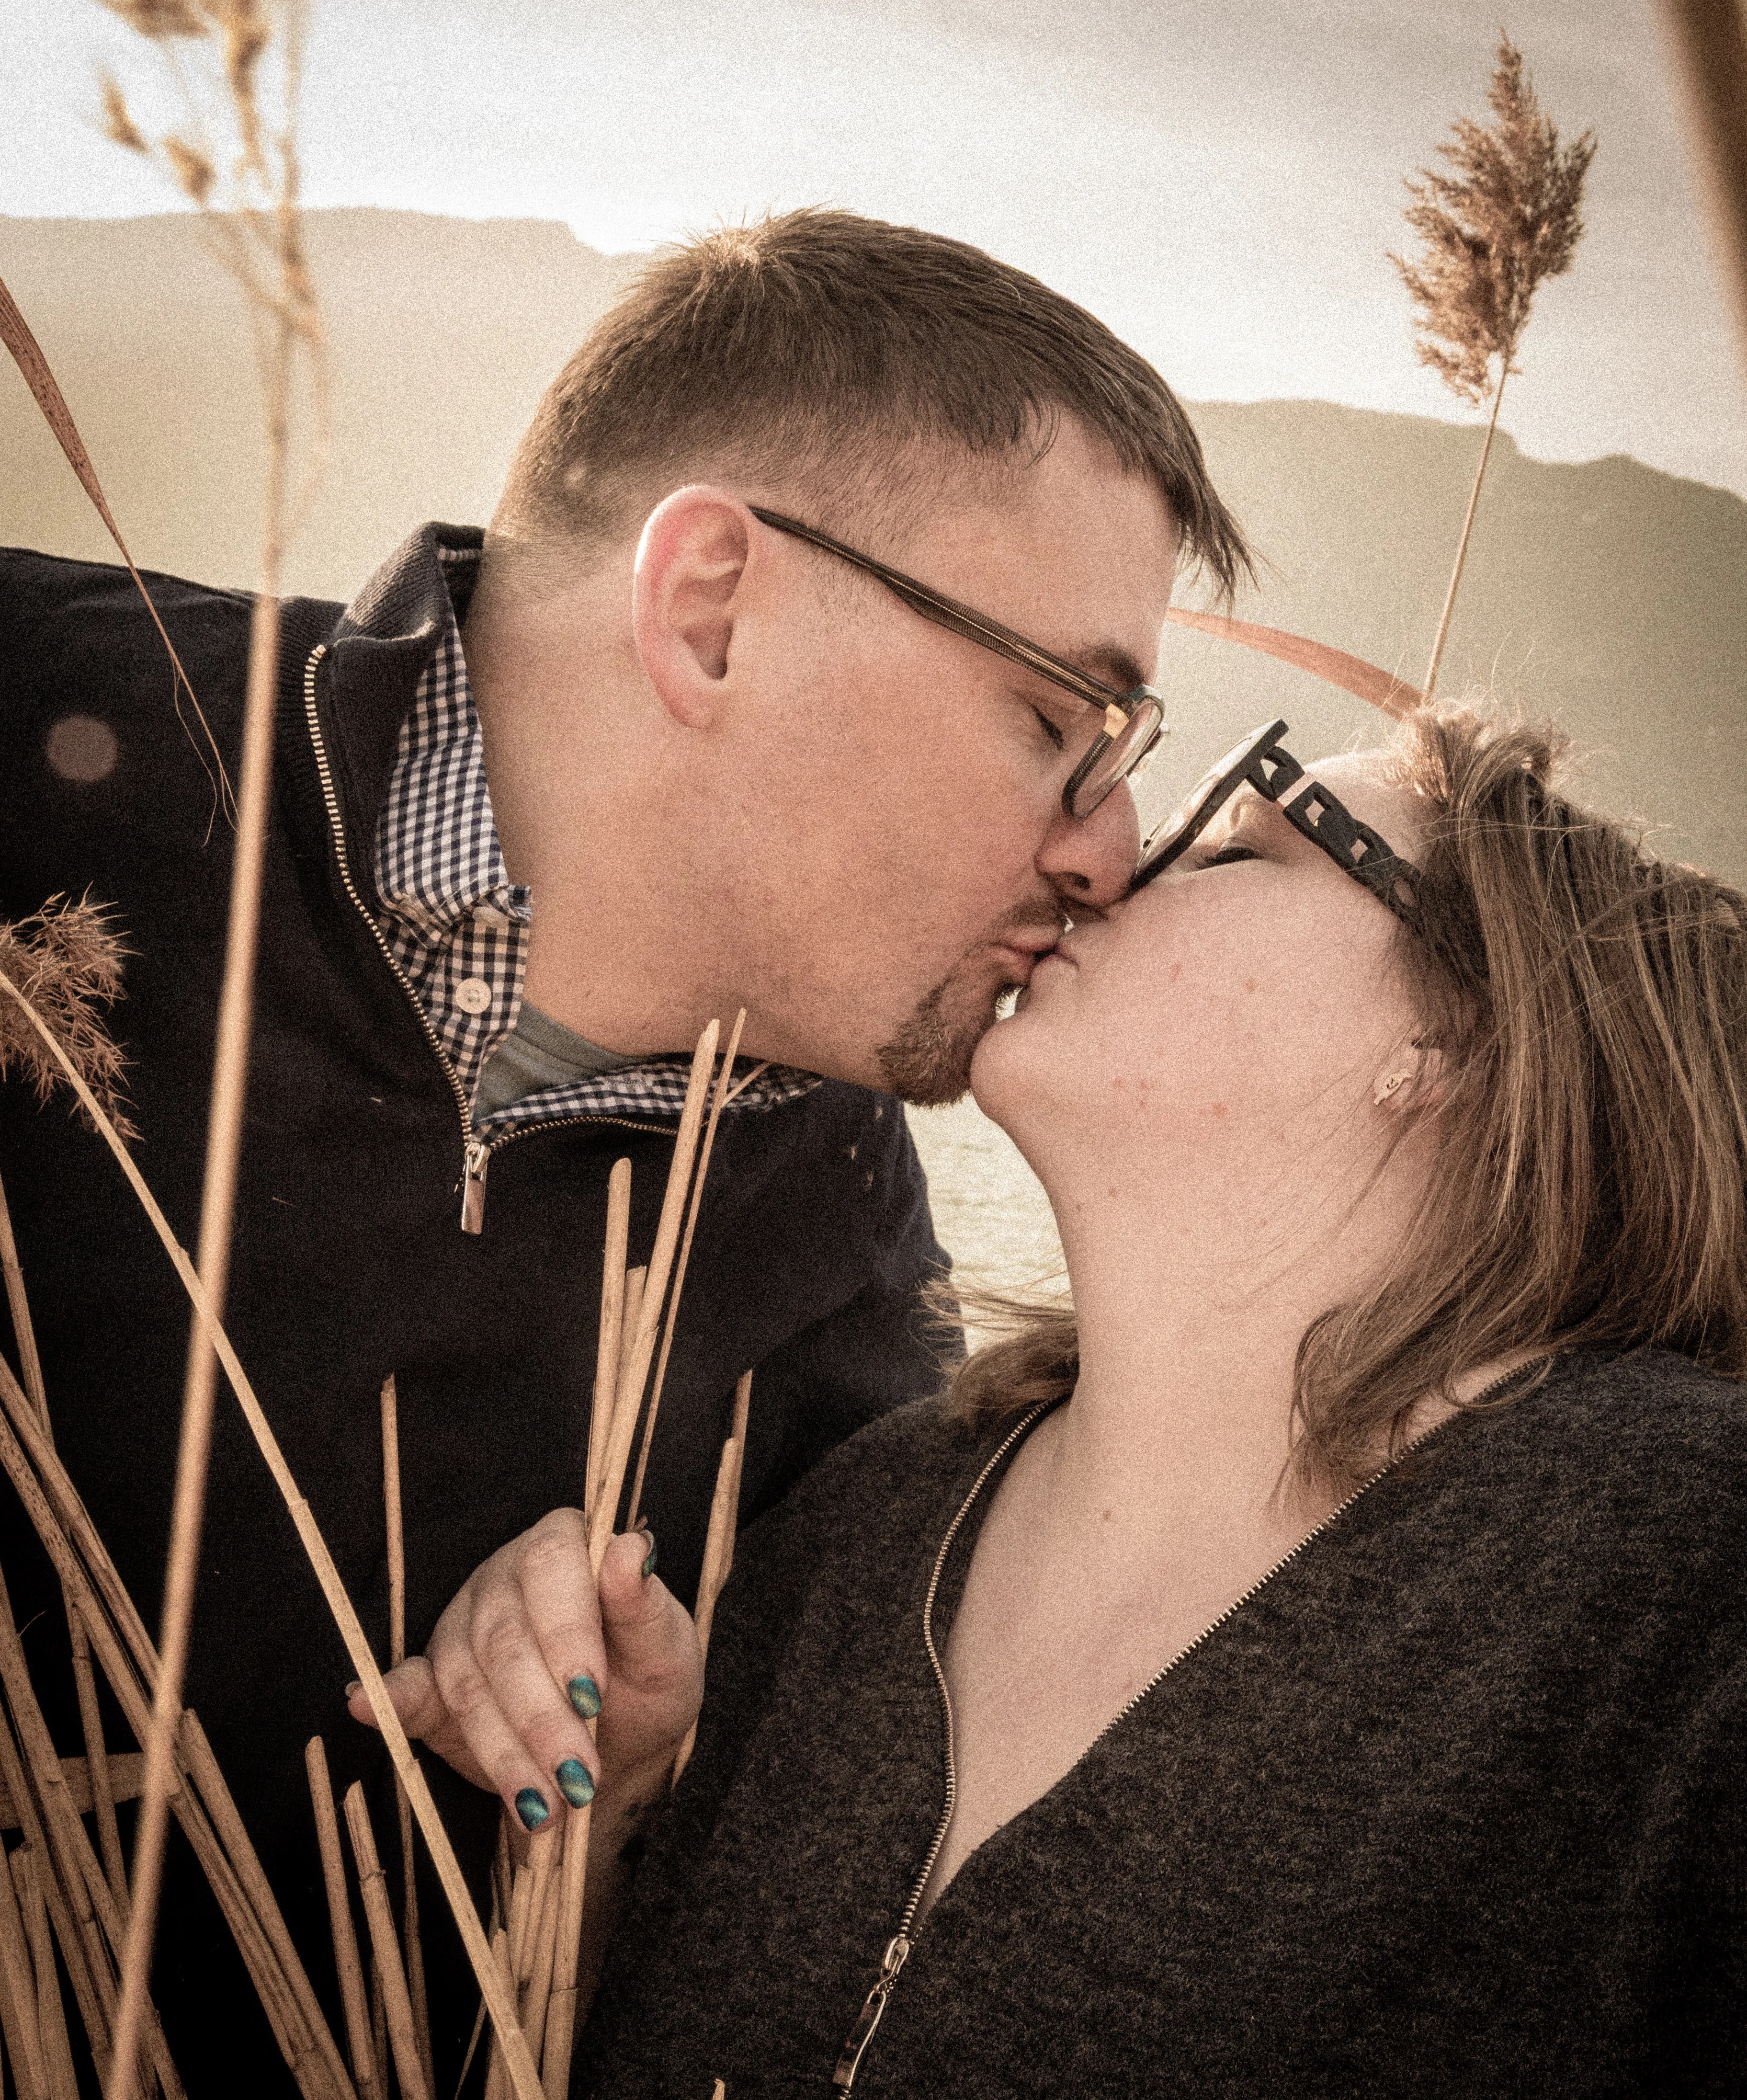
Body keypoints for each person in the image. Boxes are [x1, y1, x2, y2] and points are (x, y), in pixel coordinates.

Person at [0, 208, 1248, 2089]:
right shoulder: (35, 716)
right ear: (712, 610)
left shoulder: (845, 1256)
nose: (1110, 847)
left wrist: (643, 1783)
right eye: (1057, 716)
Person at [400, 702, 1747, 2095]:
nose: (1108, 867)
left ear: (1464, 1033)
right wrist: (609, 1802)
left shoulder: (1688, 1572)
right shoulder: (866, 1523)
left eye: (1242, 842)